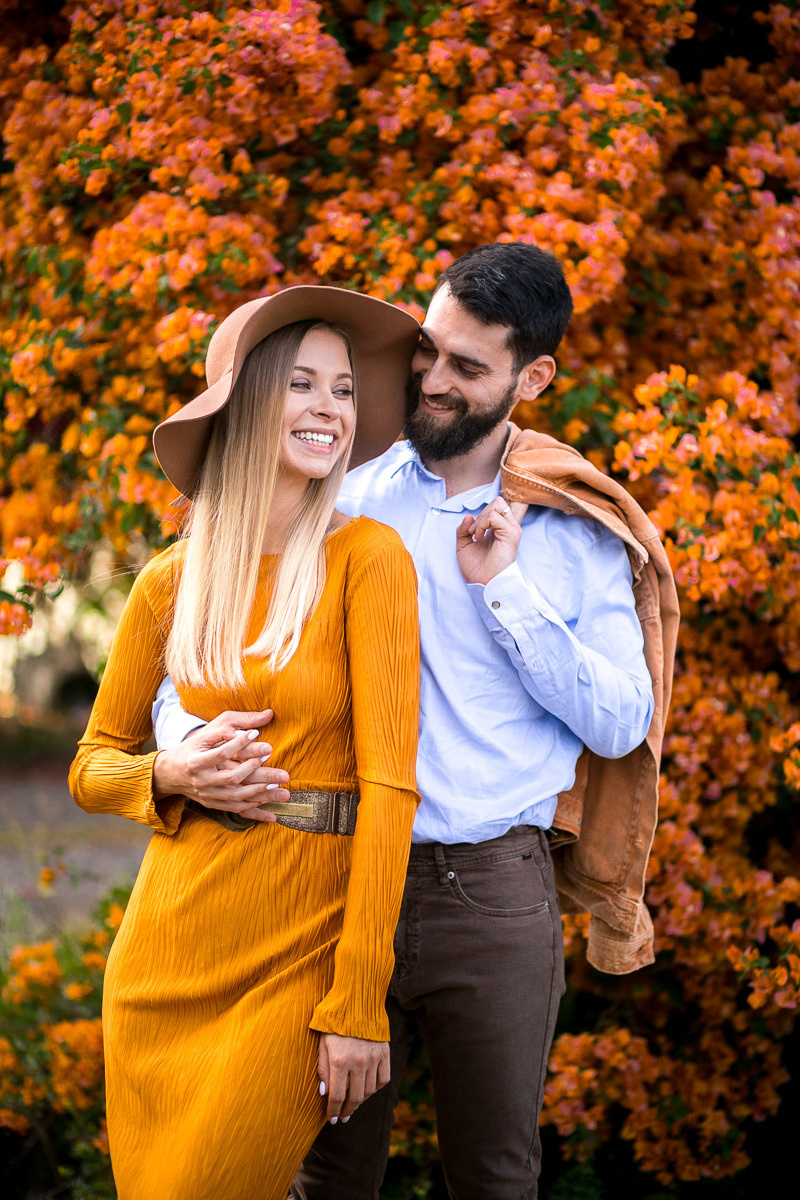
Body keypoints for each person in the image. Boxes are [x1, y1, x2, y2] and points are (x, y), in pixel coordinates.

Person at [153, 243, 660, 1200]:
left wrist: (505, 589)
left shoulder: (571, 527)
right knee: (329, 1176)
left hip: (493, 896)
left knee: (495, 1178)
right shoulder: (347, 496)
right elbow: (206, 641)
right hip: (328, 881)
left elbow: (622, 722)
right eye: (428, 352)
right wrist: (183, 746)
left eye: (468, 367)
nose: (430, 379)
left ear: (534, 377)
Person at [68, 287, 423, 1200]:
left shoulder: (368, 559)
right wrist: (172, 771)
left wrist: (358, 999)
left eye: (344, 391)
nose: (329, 409)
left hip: (299, 953)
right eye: (302, 383)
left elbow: (390, 790)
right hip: (169, 943)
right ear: (248, 400)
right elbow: (91, 765)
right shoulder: (167, 583)